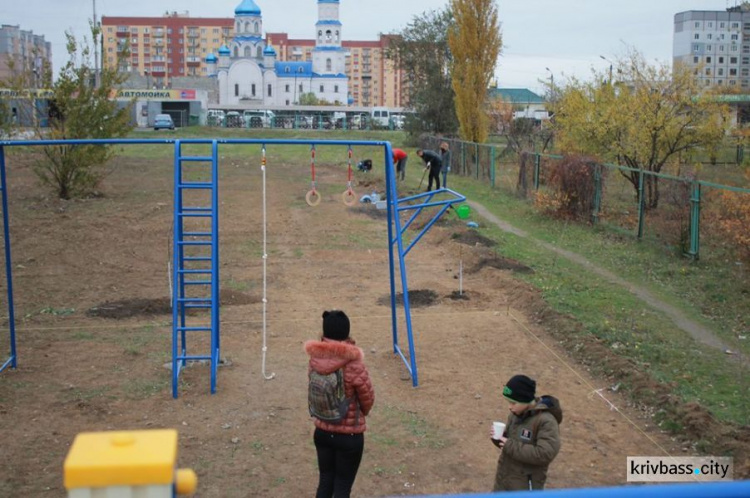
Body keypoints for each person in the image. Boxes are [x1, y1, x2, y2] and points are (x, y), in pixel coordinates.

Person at [305, 310, 375, 498]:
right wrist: (358, 414)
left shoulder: (314, 360)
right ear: (347, 333)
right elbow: (368, 399)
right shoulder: (354, 364)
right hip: (349, 436)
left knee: (325, 482)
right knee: (342, 486)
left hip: (322, 432)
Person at [491, 374, 561, 491]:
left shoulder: (546, 421)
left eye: (513, 403)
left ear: (525, 400)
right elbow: (510, 442)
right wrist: (499, 438)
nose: (510, 407)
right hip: (504, 481)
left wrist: (509, 445)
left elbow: (544, 454)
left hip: (525, 486)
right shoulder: (516, 414)